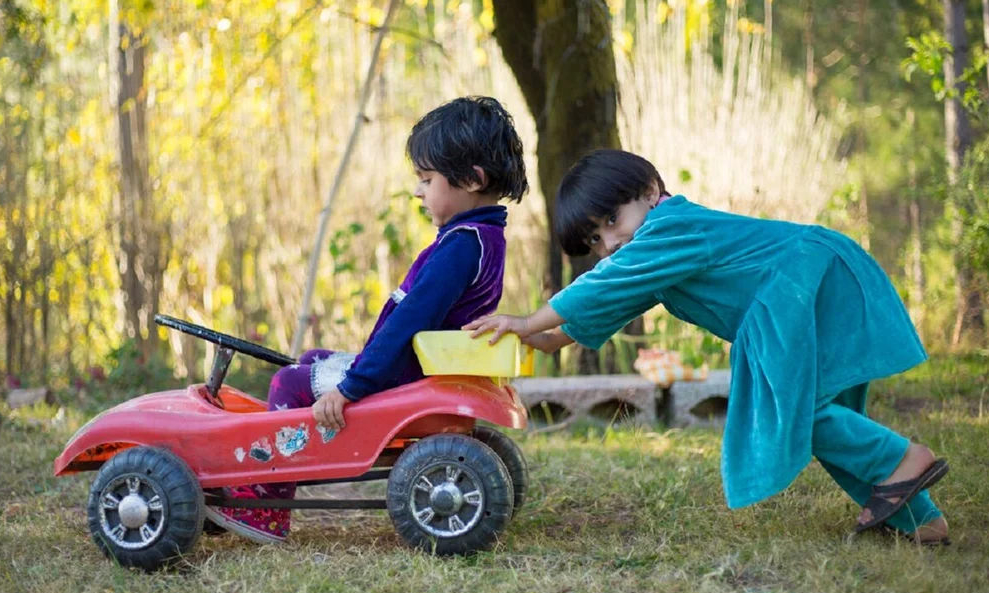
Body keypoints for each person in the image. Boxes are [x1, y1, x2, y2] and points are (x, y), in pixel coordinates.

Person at [466, 148, 950, 545]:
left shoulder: (669, 227)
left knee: (796, 409)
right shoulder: (655, 256)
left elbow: (602, 284)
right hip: (806, 285)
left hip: (804, 284)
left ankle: (904, 460)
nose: (609, 242)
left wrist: (528, 318)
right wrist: (540, 337)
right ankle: (920, 520)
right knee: (815, 416)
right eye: (594, 238)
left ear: (652, 193)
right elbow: (600, 307)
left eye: (612, 219)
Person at [204, 96, 529, 543]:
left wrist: (355, 385)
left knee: (289, 384)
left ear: (472, 179)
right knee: (310, 358)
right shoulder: (483, 237)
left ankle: (264, 501)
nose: (418, 191)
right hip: (414, 365)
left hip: (402, 373)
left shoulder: (459, 246)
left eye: (427, 179)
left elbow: (408, 323)